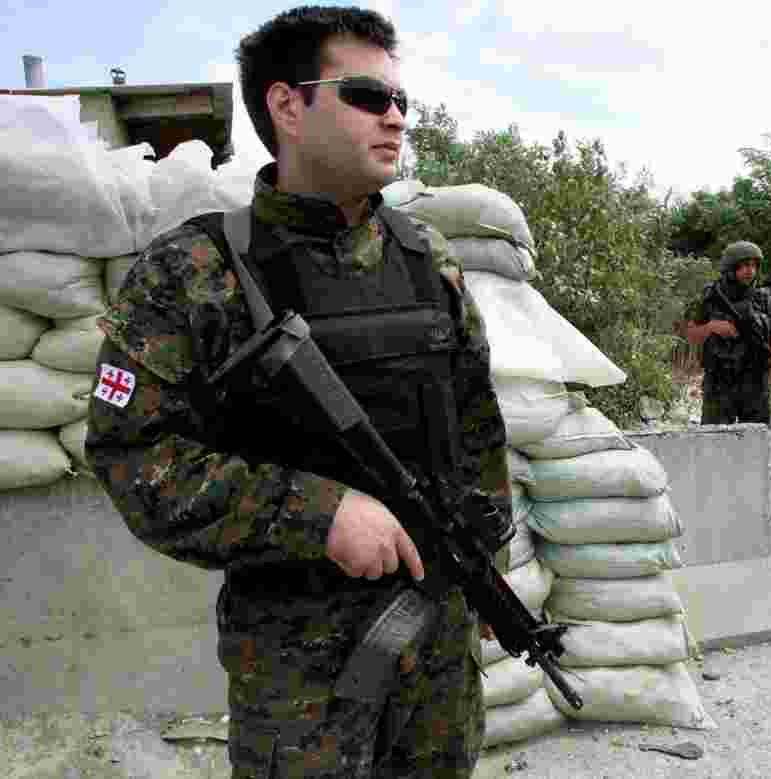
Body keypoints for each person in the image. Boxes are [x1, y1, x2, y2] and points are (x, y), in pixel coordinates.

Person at [85, 6, 511, 778]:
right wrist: (318, 513)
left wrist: (482, 566)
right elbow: (130, 455)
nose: (395, 119)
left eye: (401, 102)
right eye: (367, 97)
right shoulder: (195, 271)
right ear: (286, 105)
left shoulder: (427, 260)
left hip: (439, 656)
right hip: (302, 680)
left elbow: (478, 432)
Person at [685, 240, 771, 424]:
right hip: (720, 381)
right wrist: (711, 327)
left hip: (755, 380)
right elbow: (690, 332)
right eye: (745, 265)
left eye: (754, 266)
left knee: (757, 440)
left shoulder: (762, 298)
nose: (750, 271)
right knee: (717, 441)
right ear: (731, 268)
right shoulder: (711, 296)